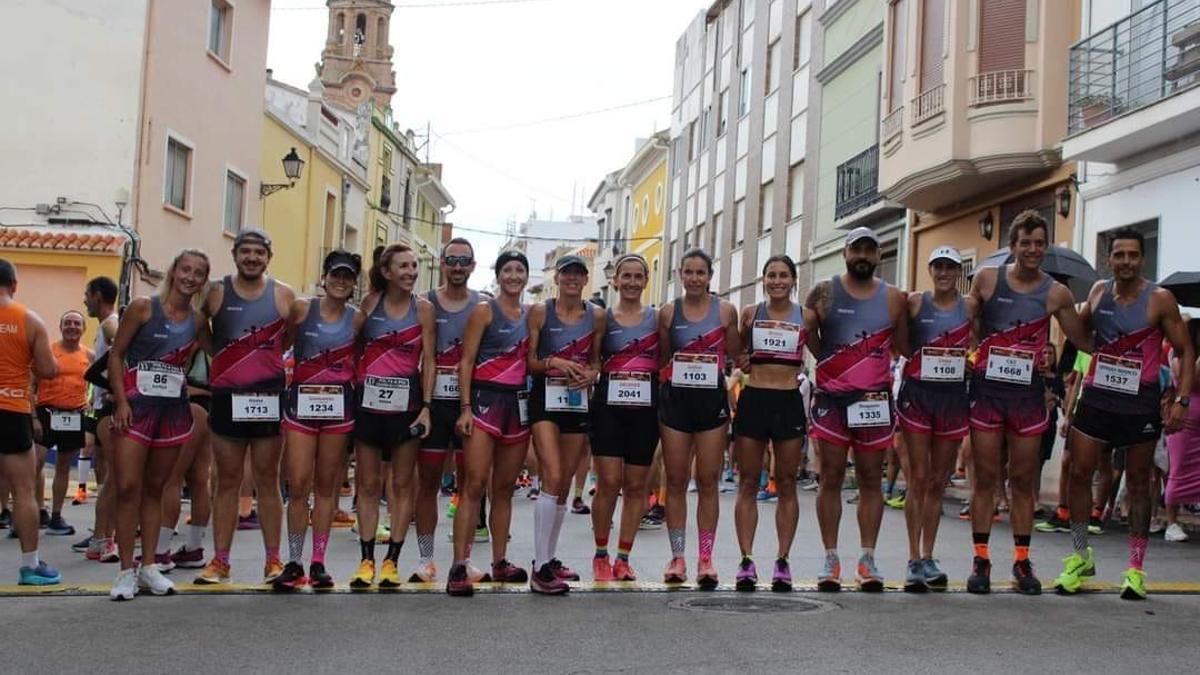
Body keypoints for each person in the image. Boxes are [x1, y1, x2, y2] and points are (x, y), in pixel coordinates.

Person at [1054, 227, 1193, 600]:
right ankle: (1081, 555)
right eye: (1119, 255)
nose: (1126, 262)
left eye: (1133, 255)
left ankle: (1135, 567)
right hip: (1098, 397)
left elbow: (1184, 349)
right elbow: (1079, 333)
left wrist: (1181, 400)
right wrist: (1057, 310)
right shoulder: (1099, 292)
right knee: (1080, 472)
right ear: (1109, 259)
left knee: (1138, 482)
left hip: (1138, 402)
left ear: (1142, 259)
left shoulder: (1160, 299)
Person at [965, 210, 1090, 595]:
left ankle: (1021, 561)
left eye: (1039, 243)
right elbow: (965, 320)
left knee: (1022, 480)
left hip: (1027, 398)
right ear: (1012, 246)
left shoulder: (1056, 293)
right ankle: (981, 559)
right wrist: (970, 351)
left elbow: (1083, 339)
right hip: (987, 393)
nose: (1032, 250)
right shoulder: (987, 279)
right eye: (1025, 243)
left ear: (1045, 246)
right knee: (985, 478)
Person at [804, 227, 909, 592]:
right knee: (830, 476)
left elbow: (905, 344)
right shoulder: (824, 292)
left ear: (878, 255)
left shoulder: (894, 298)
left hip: (875, 402)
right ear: (845, 253)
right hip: (833, 400)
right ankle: (830, 558)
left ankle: (867, 558)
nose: (862, 256)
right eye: (856, 249)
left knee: (870, 479)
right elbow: (806, 333)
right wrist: (831, 365)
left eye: (869, 250)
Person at [107, 249, 209, 599]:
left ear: (203, 281)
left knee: (157, 488)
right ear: (174, 270)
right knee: (126, 488)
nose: (190, 277)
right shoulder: (142, 307)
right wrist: (120, 401)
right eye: (185, 269)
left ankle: (149, 566)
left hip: (173, 413)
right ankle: (124, 571)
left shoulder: (197, 321)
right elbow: (116, 353)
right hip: (135, 410)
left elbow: (218, 351)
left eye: (198, 273)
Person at [196, 229, 295, 585]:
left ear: (269, 256)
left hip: (268, 395)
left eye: (259, 252)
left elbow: (290, 338)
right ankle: (220, 560)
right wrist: (225, 360)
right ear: (235, 254)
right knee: (226, 481)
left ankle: (273, 561)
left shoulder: (284, 295)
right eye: (245, 252)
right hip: (226, 395)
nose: (252, 258)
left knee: (268, 481)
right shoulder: (216, 292)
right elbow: (200, 331)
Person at [272, 250, 362, 590]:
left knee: (326, 487)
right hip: (301, 407)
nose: (341, 281)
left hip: (339, 410)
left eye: (348, 276)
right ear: (324, 277)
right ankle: (294, 561)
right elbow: (283, 348)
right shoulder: (302, 309)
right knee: (298, 484)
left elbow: (362, 356)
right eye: (335, 274)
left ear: (354, 283)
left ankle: (318, 562)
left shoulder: (357, 319)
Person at [446, 251, 533, 596]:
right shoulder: (484, 310)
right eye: (507, 270)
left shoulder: (531, 315)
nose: (513, 276)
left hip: (516, 405)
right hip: (484, 402)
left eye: (519, 270)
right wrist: (465, 408)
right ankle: (459, 565)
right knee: (473, 485)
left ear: (526, 276)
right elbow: (465, 362)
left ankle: (499, 560)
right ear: (498, 276)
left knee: (504, 489)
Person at [348, 244, 434, 589]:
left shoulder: (423, 309)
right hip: (369, 407)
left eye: (414, 266)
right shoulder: (369, 304)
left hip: (407, 406)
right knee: (368, 485)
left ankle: (391, 562)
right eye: (403, 266)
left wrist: (427, 406)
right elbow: (353, 349)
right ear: (386, 271)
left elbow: (429, 360)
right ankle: (366, 560)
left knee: (401, 485)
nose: (411, 272)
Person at [656, 248, 742, 588]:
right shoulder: (667, 313)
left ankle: (705, 558)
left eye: (700, 273)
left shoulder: (724, 311)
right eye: (688, 272)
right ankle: (678, 557)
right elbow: (661, 357)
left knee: (708, 480)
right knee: (675, 480)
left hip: (711, 402)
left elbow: (736, 353)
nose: (694, 278)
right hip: (676, 401)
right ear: (680, 275)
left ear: (710, 276)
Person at [895, 246, 974, 591]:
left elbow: (982, 339)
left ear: (958, 272)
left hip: (952, 398)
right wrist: (916, 359)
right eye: (938, 266)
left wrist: (970, 359)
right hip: (919, 396)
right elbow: (899, 340)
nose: (944, 272)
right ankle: (913, 558)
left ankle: (928, 556)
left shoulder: (969, 306)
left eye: (950, 267)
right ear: (930, 269)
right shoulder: (915, 302)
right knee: (918, 478)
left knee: (938, 481)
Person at [524, 254, 603, 593]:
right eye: (566, 273)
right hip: (546, 399)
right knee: (552, 475)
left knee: (566, 479)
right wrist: (553, 361)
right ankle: (539, 567)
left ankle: (550, 558)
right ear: (557, 278)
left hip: (576, 400)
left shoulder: (596, 316)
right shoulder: (541, 311)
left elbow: (598, 359)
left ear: (586, 279)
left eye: (578, 274)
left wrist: (592, 374)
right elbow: (528, 361)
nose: (572, 279)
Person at [732, 254, 810, 592]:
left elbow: (822, 351)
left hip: (788, 400)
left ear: (793, 280)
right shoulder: (750, 314)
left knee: (787, 481)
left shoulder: (806, 316)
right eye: (771, 275)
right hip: (755, 399)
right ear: (763, 280)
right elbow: (737, 353)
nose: (777, 281)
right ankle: (746, 560)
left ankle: (782, 561)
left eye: (783, 275)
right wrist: (742, 360)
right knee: (748, 481)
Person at [589, 254, 659, 582]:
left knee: (635, 487)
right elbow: (593, 361)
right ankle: (601, 553)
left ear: (646, 281)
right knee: (608, 484)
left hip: (645, 410)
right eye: (625, 276)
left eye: (637, 276)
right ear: (615, 280)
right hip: (608, 407)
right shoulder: (603, 318)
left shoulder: (658, 319)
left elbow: (667, 359)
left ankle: (623, 557)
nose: (631, 282)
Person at [415, 238, 480, 583]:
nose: (457, 267)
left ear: (473, 266)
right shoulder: (424, 303)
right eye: (451, 260)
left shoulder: (484, 305)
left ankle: (463, 559)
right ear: (442, 263)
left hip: (470, 405)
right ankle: (426, 560)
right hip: (434, 403)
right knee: (427, 482)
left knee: (470, 484)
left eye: (463, 261)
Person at [0, 258, 61, 584]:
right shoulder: (30, 320)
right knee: (24, 491)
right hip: (11, 409)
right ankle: (31, 566)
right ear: (14, 285)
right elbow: (49, 370)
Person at [34, 310, 93, 536]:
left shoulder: (89, 355)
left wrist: (92, 403)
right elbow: (31, 382)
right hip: (47, 412)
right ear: (60, 327)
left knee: (63, 466)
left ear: (83, 329)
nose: (72, 327)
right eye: (67, 323)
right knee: (36, 462)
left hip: (74, 415)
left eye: (77, 324)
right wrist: (33, 416)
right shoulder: (48, 351)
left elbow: (100, 378)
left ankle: (56, 515)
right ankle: (37, 510)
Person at [79, 276, 120, 563]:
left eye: (86, 295)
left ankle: (102, 538)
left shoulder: (110, 324)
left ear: (97, 295)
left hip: (113, 407)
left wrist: (120, 391)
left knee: (114, 477)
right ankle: (104, 539)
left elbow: (125, 355)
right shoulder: (103, 326)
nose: (84, 300)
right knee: (112, 477)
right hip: (105, 409)